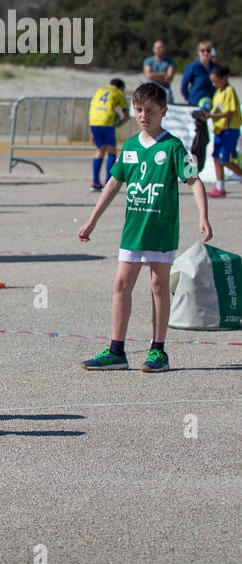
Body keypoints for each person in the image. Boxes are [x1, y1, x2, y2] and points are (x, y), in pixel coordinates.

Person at [79, 82, 210, 372]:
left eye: (150, 110)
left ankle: (158, 351)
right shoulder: (130, 147)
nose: (143, 115)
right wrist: (93, 219)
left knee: (158, 286)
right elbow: (114, 183)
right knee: (121, 285)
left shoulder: (173, 146)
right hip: (133, 231)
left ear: (163, 112)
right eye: (138, 110)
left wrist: (203, 215)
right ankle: (116, 350)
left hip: (160, 231)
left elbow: (195, 180)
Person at [203, 64, 242, 198]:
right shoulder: (217, 92)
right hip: (219, 130)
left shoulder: (229, 90)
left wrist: (210, 116)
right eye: (212, 81)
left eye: (216, 81)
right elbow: (216, 110)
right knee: (216, 158)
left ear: (224, 78)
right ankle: (220, 188)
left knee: (224, 159)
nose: (214, 84)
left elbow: (228, 113)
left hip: (229, 130)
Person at [181, 42, 218, 174]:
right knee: (196, 139)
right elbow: (184, 86)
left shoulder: (214, 67)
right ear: (198, 52)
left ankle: (202, 169)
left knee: (207, 138)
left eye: (208, 50)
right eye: (203, 51)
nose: (205, 53)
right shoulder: (193, 67)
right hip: (195, 107)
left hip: (211, 108)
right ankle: (191, 169)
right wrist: (190, 100)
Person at [88, 78, 128, 191]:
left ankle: (95, 182)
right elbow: (126, 113)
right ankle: (107, 183)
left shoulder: (99, 90)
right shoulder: (118, 92)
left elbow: (92, 108)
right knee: (111, 151)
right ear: (121, 88)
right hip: (108, 120)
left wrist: (92, 132)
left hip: (93, 121)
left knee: (100, 150)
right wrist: (120, 123)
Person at [143, 40, 175, 104]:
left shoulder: (169, 62)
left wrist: (154, 76)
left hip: (165, 89)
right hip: (151, 88)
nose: (160, 50)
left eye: (162, 48)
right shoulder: (148, 61)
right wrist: (163, 74)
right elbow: (148, 75)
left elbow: (169, 78)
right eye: (158, 48)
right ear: (154, 49)